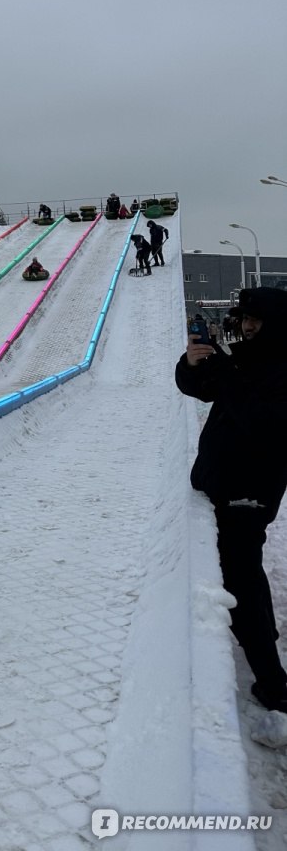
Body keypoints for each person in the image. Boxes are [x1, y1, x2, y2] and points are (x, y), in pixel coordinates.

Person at [176, 287, 287, 712]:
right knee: (247, 573)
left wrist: (227, 377)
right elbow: (199, 388)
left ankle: (274, 685)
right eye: (245, 319)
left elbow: (267, 426)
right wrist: (193, 362)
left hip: (250, 491)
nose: (248, 326)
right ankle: (266, 643)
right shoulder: (246, 356)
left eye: (257, 320)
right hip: (225, 483)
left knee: (239, 579)